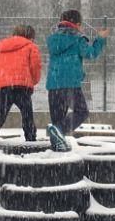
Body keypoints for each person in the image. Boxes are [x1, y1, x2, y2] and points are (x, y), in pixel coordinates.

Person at [45, 9, 109, 151]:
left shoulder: (53, 39)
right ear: (77, 24)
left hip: (53, 84)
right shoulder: (77, 39)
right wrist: (100, 39)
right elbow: (91, 53)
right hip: (70, 84)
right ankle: (58, 130)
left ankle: (57, 148)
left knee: (57, 118)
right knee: (81, 112)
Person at [0, 24, 42, 147]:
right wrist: (33, 81)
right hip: (22, 86)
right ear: (30, 37)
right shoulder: (31, 47)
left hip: (2, 87)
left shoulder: (1, 48)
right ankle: (31, 140)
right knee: (27, 114)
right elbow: (35, 66)